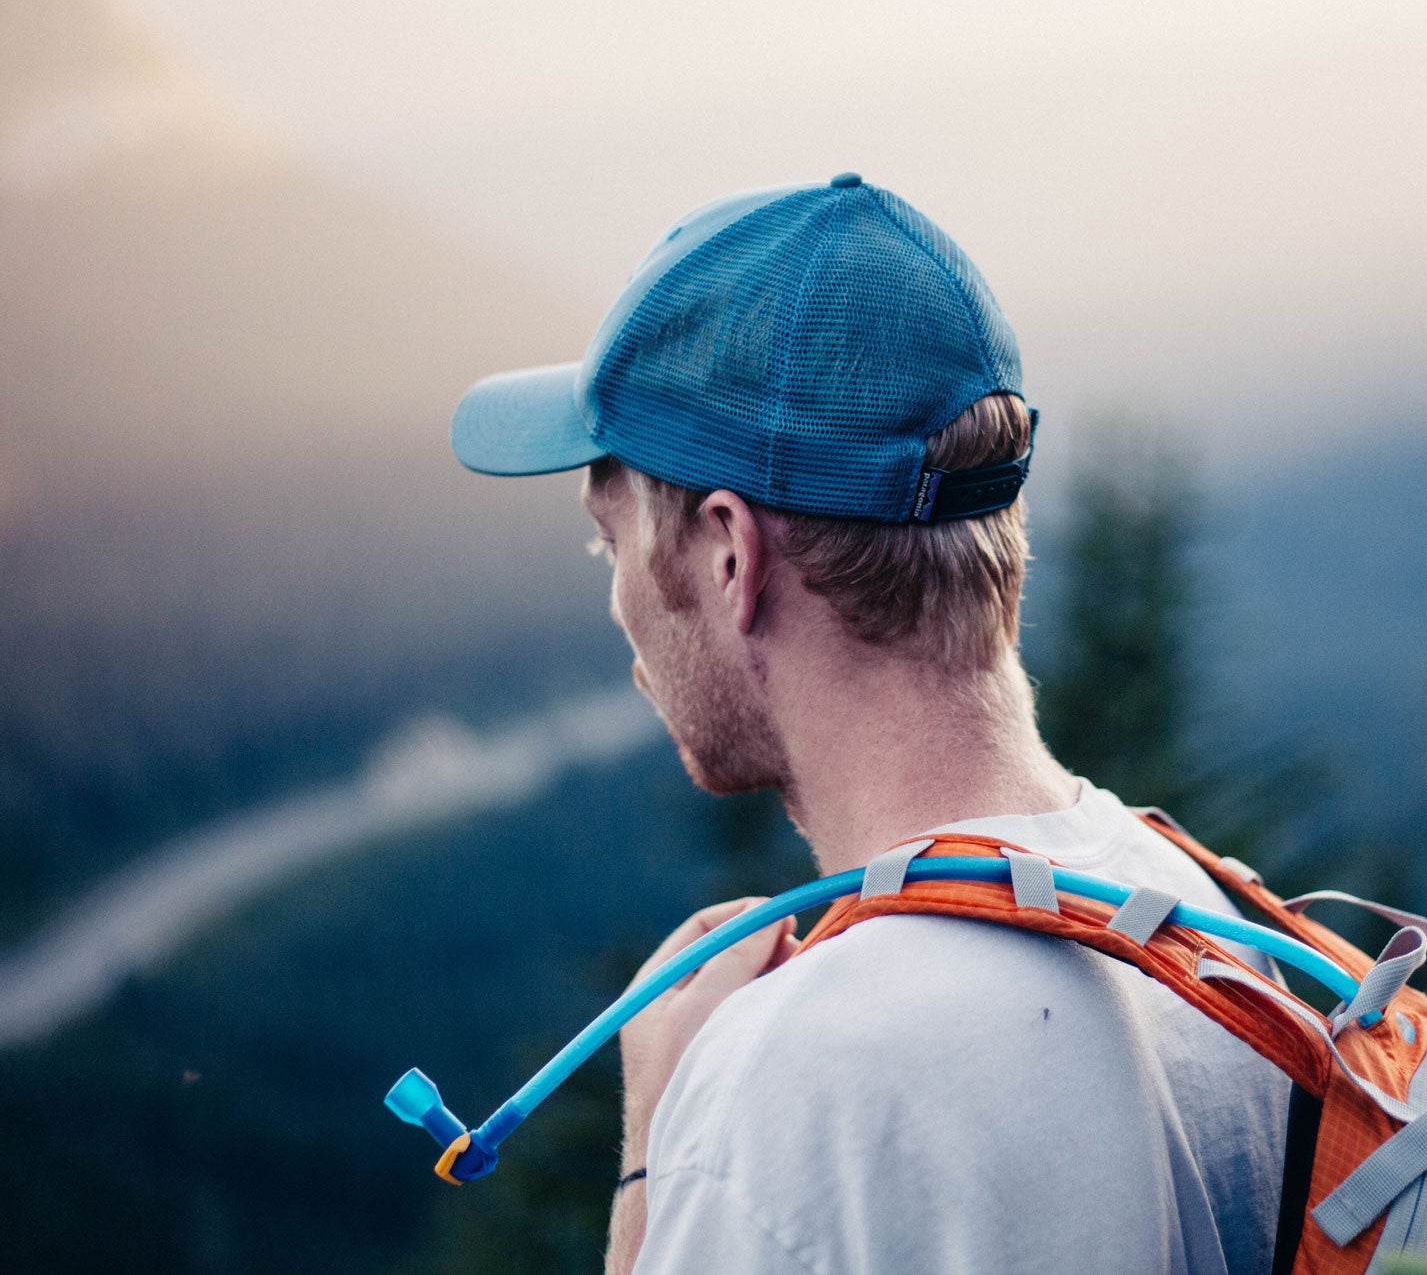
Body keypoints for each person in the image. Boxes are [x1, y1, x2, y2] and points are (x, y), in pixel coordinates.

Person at [451, 174, 1292, 1274]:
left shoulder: (797, 1095)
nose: (616, 602)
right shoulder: (1217, 923)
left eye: (610, 544)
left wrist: (658, 1146)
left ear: (727, 556)